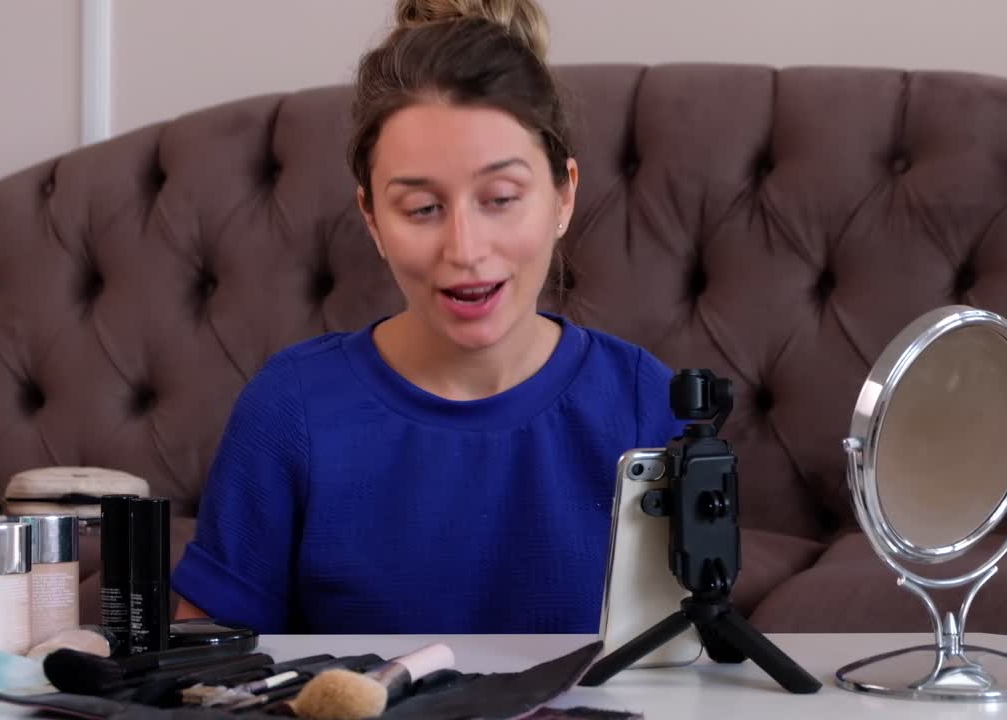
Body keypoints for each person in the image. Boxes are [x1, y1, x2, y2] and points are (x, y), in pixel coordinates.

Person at [169, 0, 686, 635]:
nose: (464, 250)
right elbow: (202, 667)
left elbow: (685, 670)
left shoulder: (648, 405)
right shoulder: (289, 410)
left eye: (499, 199)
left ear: (564, 195)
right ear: (371, 218)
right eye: (420, 208)